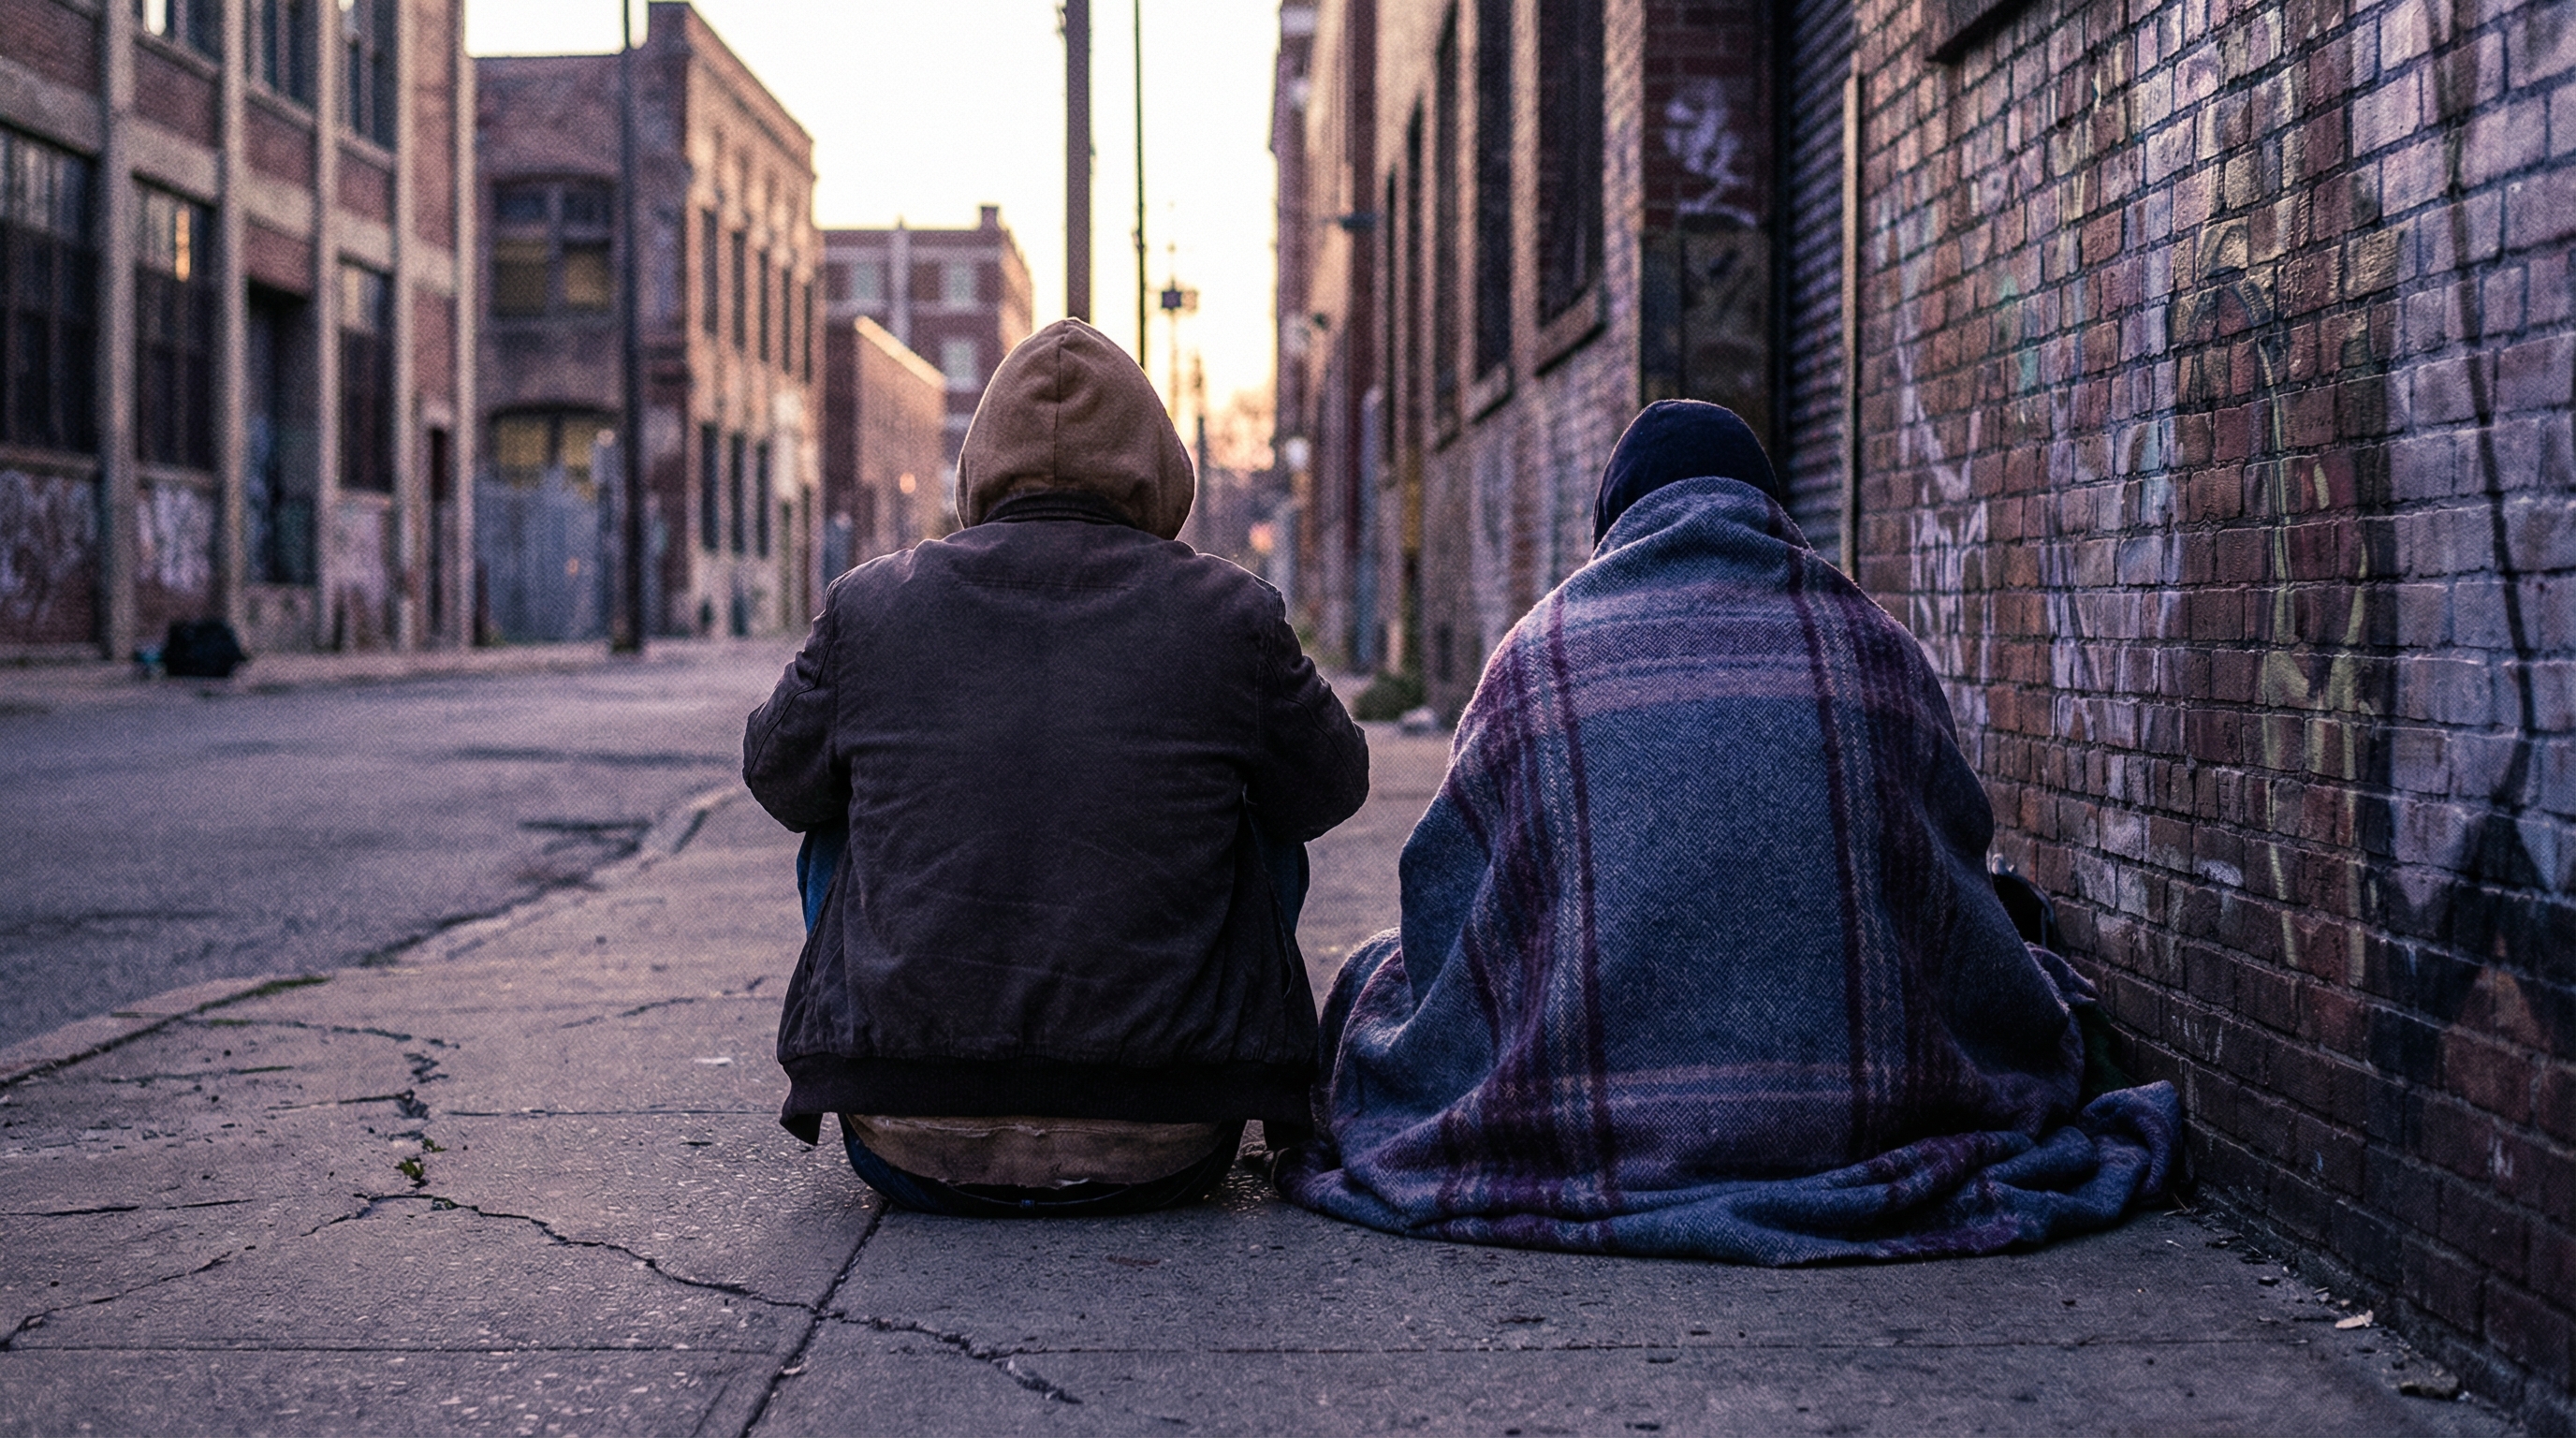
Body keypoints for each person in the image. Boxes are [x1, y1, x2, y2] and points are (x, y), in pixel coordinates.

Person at [1278, 400, 2177, 1262]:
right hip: (1856, 1105)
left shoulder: (1538, 656)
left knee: (1378, 974)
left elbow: (1450, 908)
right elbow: (1951, 882)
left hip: (1592, 1109)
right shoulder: (1869, 641)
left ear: (1616, 521)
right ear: (1767, 507)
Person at [743, 318, 1369, 1217]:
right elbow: (1331, 788)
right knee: (1265, 811)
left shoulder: (870, 604)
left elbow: (776, 778)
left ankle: (889, 1048)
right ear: (1158, 466)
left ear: (978, 467)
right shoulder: (1233, 612)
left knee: (834, 807)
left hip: (908, 1136)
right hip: (1170, 1138)